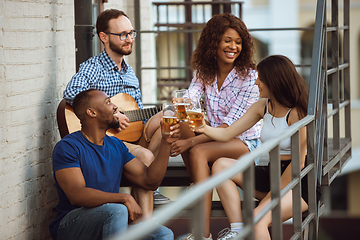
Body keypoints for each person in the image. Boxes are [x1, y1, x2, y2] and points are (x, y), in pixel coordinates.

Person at [195, 55, 321, 240]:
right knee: (221, 165)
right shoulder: (262, 106)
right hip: (272, 175)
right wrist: (202, 128)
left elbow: (298, 164)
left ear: (274, 80)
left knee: (257, 218)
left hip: (298, 183)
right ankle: (237, 230)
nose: (256, 83)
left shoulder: (296, 113)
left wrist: (271, 198)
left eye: (260, 78)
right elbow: (227, 134)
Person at [63, 9, 170, 209]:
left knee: (168, 115)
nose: (129, 39)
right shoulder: (93, 67)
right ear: (103, 37)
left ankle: (150, 187)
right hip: (106, 140)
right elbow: (71, 92)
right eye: (122, 35)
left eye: (131, 33)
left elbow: (139, 121)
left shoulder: (131, 75)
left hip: (131, 137)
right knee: (145, 157)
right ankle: (148, 209)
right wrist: (113, 115)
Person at [49, 89, 180, 240]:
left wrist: (166, 143)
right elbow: (77, 195)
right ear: (92, 112)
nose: (115, 106)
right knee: (118, 211)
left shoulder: (116, 145)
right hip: (72, 225)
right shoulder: (68, 147)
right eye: (108, 102)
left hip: (111, 218)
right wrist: (124, 198)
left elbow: (150, 181)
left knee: (163, 234)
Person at [175, 13, 261, 240]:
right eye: (227, 40)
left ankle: (202, 234)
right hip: (214, 136)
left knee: (198, 150)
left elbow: (228, 127)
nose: (234, 47)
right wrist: (181, 104)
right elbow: (191, 98)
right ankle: (197, 178)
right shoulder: (204, 72)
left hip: (243, 141)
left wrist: (190, 140)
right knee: (175, 118)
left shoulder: (250, 78)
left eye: (238, 42)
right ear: (213, 42)